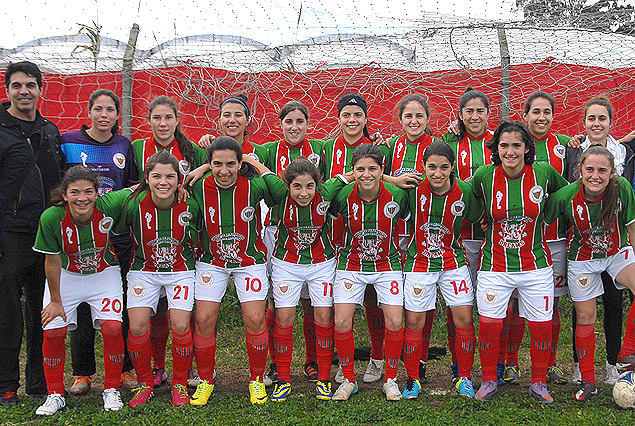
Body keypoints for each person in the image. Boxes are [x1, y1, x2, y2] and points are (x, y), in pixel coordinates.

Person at [470, 121, 568, 404]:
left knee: (541, 325)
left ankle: (538, 383)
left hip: (536, 264)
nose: (510, 151)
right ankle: (489, 379)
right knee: (489, 324)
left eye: (516, 145)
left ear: (527, 148)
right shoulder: (484, 176)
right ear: (496, 148)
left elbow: (568, 194)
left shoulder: (544, 173)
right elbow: (472, 202)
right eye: (504, 145)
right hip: (494, 266)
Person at [243, 154, 351, 400]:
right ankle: (284, 379)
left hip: (321, 264)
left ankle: (323, 379)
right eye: (297, 186)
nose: (304, 193)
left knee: (323, 317)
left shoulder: (328, 190)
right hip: (286, 264)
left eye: (309, 186)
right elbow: (258, 166)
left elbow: (359, 173)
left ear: (318, 184)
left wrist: (391, 179)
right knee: (284, 317)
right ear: (288, 185)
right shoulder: (279, 193)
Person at [59, 89, 139, 395]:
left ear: (117, 115)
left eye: (110, 110)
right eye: (98, 109)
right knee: (81, 305)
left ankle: (124, 369)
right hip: (79, 239)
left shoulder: (123, 145)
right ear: (89, 111)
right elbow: (60, 186)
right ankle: (82, 373)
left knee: (119, 304)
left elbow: (131, 186)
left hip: (115, 238)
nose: (104, 115)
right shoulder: (68, 142)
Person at [32, 166, 130, 415]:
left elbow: (135, 188)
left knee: (113, 327)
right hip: (67, 276)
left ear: (98, 194)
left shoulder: (108, 204)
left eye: (88, 192)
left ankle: (111, 389)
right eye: (75, 192)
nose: (82, 198)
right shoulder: (51, 218)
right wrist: (55, 301)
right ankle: (55, 395)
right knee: (53, 330)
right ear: (64, 195)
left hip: (103, 273)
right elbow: (52, 261)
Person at [545, 145, 635, 401]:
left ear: (612, 172)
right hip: (582, 259)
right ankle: (587, 381)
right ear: (580, 171)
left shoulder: (622, 189)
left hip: (617, 251)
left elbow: (632, 228)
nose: (596, 176)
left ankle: (627, 351)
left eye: (602, 171)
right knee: (586, 317)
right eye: (590, 170)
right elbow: (541, 216)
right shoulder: (566, 196)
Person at [188, 136, 274, 405]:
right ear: (209, 164)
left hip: (249, 261)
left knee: (256, 320)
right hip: (211, 262)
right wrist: (202, 169)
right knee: (203, 320)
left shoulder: (254, 186)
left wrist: (251, 160)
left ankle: (257, 380)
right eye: (216, 164)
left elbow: (280, 187)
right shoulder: (198, 186)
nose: (223, 171)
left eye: (230, 164)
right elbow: (166, 187)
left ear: (239, 163)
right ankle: (205, 380)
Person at [0, 61, 65, 405]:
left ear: (41, 89)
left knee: (44, 313)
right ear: (7, 89)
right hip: (10, 233)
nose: (24, 91)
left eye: (30, 85)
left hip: (47, 237)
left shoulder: (50, 130)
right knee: (8, 313)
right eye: (16, 85)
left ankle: (40, 384)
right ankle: (7, 383)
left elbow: (60, 183)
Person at [501, 91, 576, 386]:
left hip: (554, 240)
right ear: (525, 115)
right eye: (536, 112)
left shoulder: (566, 147)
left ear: (553, 116)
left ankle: (550, 363)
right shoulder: (514, 146)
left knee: (551, 304)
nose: (541, 117)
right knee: (514, 303)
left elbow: (569, 189)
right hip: (518, 240)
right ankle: (511, 362)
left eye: (547, 112)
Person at [132, 96, 206, 389]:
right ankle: (158, 367)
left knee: (179, 312)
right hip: (146, 234)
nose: (163, 124)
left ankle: (183, 371)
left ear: (177, 120)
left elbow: (208, 177)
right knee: (154, 310)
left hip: (180, 237)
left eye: (168, 118)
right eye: (157, 118)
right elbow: (131, 186)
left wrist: (189, 184)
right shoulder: (136, 147)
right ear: (148, 120)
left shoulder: (191, 151)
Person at [402, 141, 481, 400]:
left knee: (464, 319)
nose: (437, 173)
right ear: (423, 167)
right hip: (419, 262)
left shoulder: (464, 191)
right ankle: (413, 377)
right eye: (432, 167)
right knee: (414, 321)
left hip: (453, 261)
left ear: (452, 168)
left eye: (444, 167)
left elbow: (477, 215)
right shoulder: (411, 189)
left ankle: (463, 375)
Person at [322, 94, 392, 386]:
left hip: (372, 236)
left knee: (374, 301)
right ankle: (338, 362)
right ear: (338, 118)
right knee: (339, 305)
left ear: (366, 118)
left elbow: (387, 181)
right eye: (346, 115)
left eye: (357, 115)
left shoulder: (380, 148)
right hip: (334, 234)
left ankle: (377, 357)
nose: (352, 120)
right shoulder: (325, 148)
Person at [330, 144, 408, 401]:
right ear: (352, 171)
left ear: (382, 170)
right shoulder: (343, 196)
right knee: (341, 321)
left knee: (395, 321)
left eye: (372, 168)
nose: (366, 174)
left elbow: (407, 216)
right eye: (360, 169)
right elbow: (324, 197)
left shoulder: (397, 195)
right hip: (351, 265)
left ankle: (391, 379)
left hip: (387, 264)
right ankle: (349, 379)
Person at [122, 151, 200, 407]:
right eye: (156, 176)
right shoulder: (133, 203)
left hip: (180, 270)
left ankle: (179, 383)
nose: (163, 182)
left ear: (180, 180)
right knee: (136, 328)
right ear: (147, 178)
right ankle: (146, 384)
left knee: (179, 325)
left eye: (170, 177)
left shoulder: (190, 204)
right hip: (144, 270)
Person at [569, 97, 635, 386]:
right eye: (591, 119)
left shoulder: (624, 153)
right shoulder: (572, 151)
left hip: (615, 243)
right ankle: (578, 366)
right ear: (584, 123)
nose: (596, 124)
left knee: (613, 302)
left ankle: (614, 361)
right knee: (582, 309)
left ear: (610, 123)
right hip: (583, 244)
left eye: (602, 119)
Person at [259, 102, 326, 386]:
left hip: (313, 234)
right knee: (277, 301)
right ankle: (277, 363)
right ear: (281, 124)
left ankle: (313, 360)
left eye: (300, 121)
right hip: (278, 232)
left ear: (308, 124)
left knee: (312, 303)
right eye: (289, 121)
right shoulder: (268, 150)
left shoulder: (322, 148)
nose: (294, 127)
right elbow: (239, 154)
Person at [442, 87, 494, 383]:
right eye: (468, 111)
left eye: (480, 111)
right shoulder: (449, 141)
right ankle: (457, 361)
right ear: (459, 115)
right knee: (458, 303)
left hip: (492, 235)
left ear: (488, 113)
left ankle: (498, 362)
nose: (474, 117)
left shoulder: (498, 142)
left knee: (491, 303)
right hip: (458, 237)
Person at [387, 94, 437, 385]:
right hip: (395, 228)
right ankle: (388, 356)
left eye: (419, 116)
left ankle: (419, 357)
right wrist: (396, 180)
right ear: (401, 119)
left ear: (428, 120)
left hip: (427, 231)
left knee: (422, 298)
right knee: (395, 300)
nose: (414, 121)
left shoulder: (438, 144)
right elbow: (373, 171)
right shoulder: (392, 145)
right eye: (408, 116)